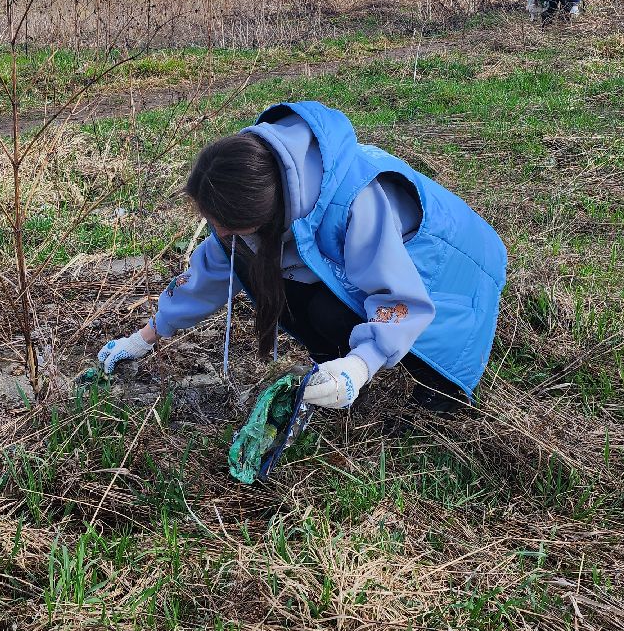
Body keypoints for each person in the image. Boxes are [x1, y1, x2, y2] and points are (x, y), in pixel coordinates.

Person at [96, 102, 508, 413]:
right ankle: (335, 371)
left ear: (265, 214)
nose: (217, 232)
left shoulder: (354, 204)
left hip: (452, 272)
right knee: (283, 289)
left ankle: (428, 385)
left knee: (433, 385)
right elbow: (211, 273)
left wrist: (360, 367)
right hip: (389, 272)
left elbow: (401, 298)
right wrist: (143, 338)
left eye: (225, 224)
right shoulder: (257, 194)